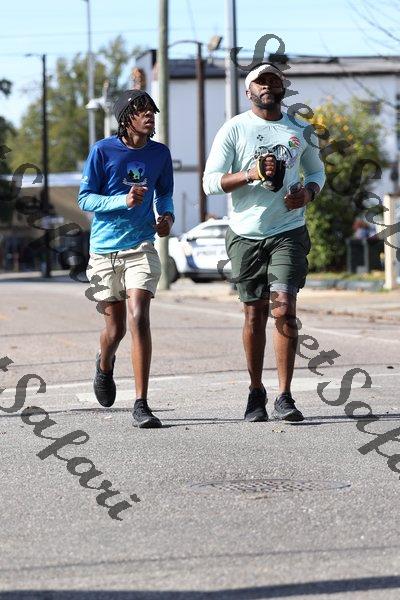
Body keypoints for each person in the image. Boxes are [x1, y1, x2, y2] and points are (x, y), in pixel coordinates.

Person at [203, 63, 325, 423]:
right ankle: (256, 391)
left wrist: (308, 193)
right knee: (254, 313)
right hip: (246, 234)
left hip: (288, 231)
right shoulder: (234, 129)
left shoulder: (300, 130)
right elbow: (210, 182)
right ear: (249, 92)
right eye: (260, 82)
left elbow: (316, 171)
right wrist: (250, 174)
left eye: (273, 81)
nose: (267, 86)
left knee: (284, 308)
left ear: (283, 88)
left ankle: (285, 395)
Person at [78, 90, 174, 429]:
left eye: (152, 111)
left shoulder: (160, 153)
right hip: (104, 250)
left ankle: (141, 403)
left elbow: (165, 194)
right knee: (115, 329)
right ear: (125, 118)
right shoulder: (102, 151)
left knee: (139, 317)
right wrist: (123, 200)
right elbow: (85, 199)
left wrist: (167, 217)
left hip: (141, 246)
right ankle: (104, 363)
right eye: (141, 111)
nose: (149, 116)